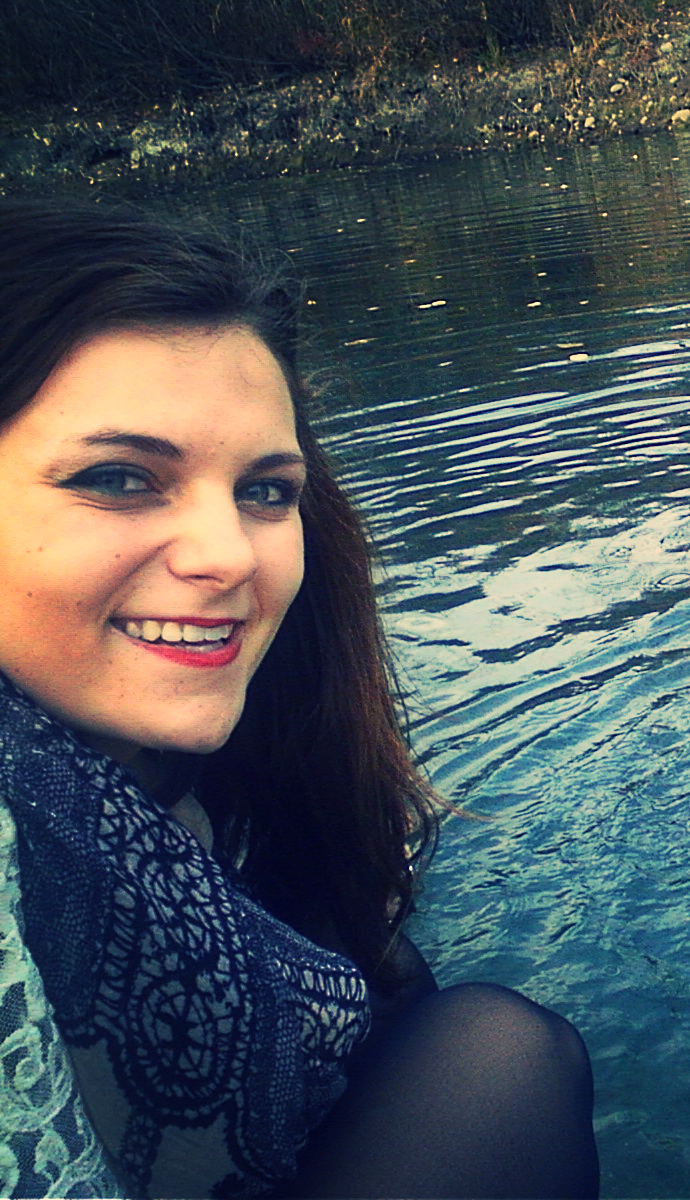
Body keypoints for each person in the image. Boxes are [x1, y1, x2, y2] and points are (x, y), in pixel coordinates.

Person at [0, 195, 600, 1199]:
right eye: (117, 478)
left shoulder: (197, 774)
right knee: (499, 1053)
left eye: (266, 491)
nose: (231, 556)